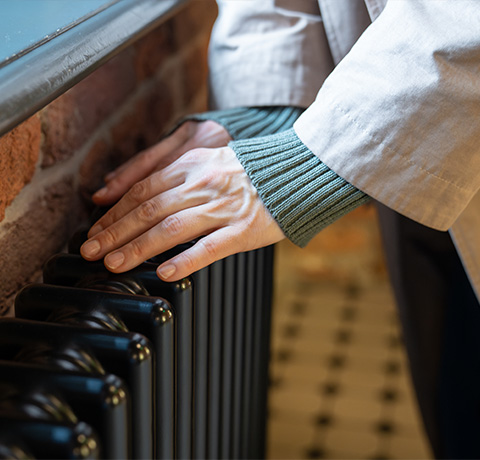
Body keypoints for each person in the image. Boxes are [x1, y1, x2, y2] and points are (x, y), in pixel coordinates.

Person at [80, 1, 480, 457]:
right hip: (427, 124)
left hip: (433, 96)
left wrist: (321, 153)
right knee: (456, 394)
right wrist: (274, 100)